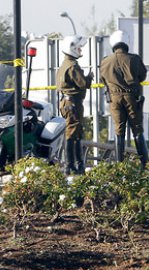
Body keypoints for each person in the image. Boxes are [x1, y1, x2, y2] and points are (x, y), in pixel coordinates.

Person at [99, 30, 149, 166]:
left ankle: (119, 165)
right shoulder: (134, 59)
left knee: (118, 130)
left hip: (114, 99)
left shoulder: (105, 62)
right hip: (132, 97)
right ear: (126, 42)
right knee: (137, 129)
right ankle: (145, 164)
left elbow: (102, 79)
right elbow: (143, 76)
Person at [56, 35, 93, 175]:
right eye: (77, 47)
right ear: (71, 48)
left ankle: (77, 165)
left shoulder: (64, 64)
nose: (79, 50)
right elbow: (83, 83)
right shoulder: (72, 66)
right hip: (72, 103)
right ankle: (70, 165)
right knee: (72, 133)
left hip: (67, 102)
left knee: (76, 132)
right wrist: (89, 77)